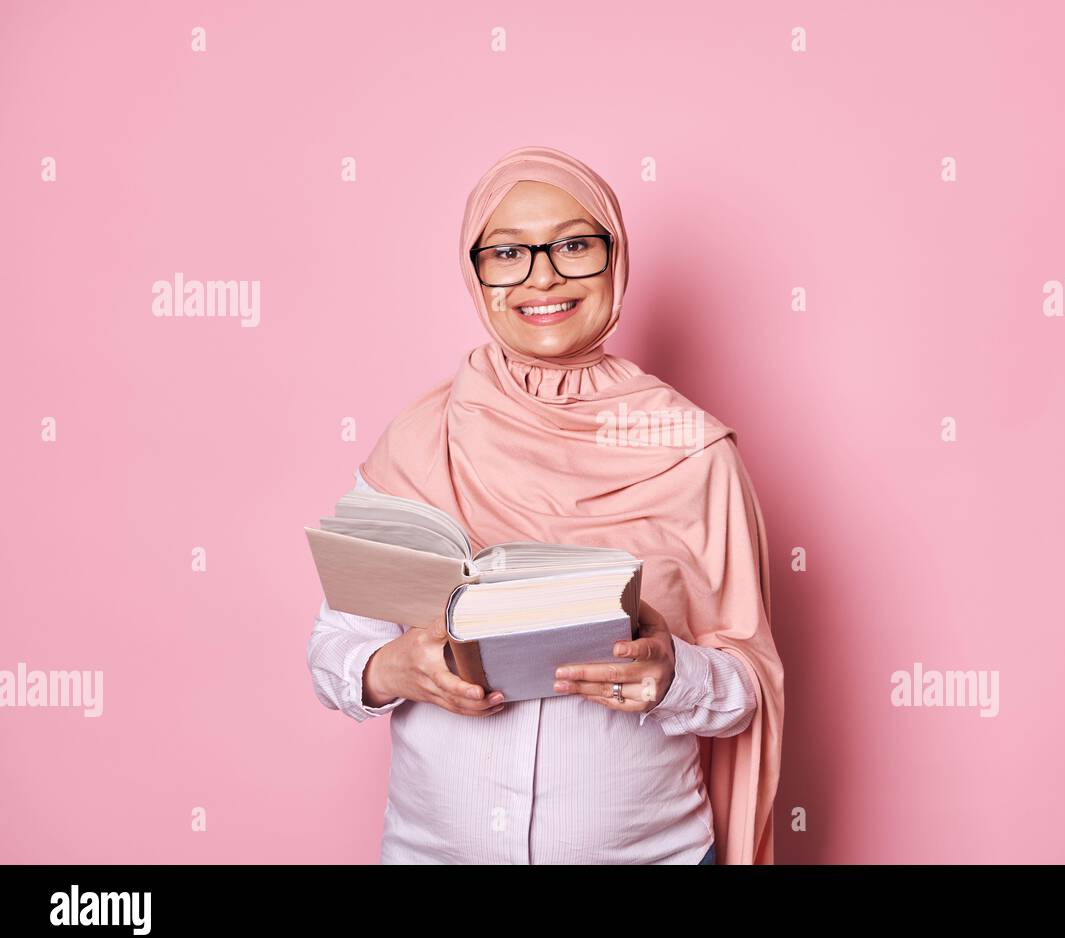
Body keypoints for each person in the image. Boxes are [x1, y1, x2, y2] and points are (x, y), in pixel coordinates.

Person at [307, 145, 784, 864]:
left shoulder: (692, 449)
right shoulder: (416, 442)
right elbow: (332, 647)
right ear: (477, 274)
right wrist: (391, 669)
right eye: (508, 252)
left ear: (614, 257)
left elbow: (750, 684)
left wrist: (674, 674)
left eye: (572, 244)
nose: (544, 275)